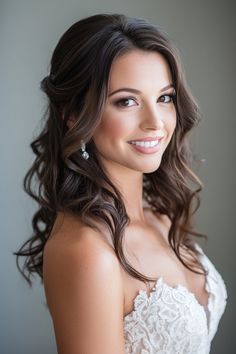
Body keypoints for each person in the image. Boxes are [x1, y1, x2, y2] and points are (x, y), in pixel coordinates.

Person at [14, 13, 227, 354]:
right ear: (73, 113)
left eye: (165, 98)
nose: (155, 123)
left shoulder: (161, 214)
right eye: (126, 101)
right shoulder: (87, 251)